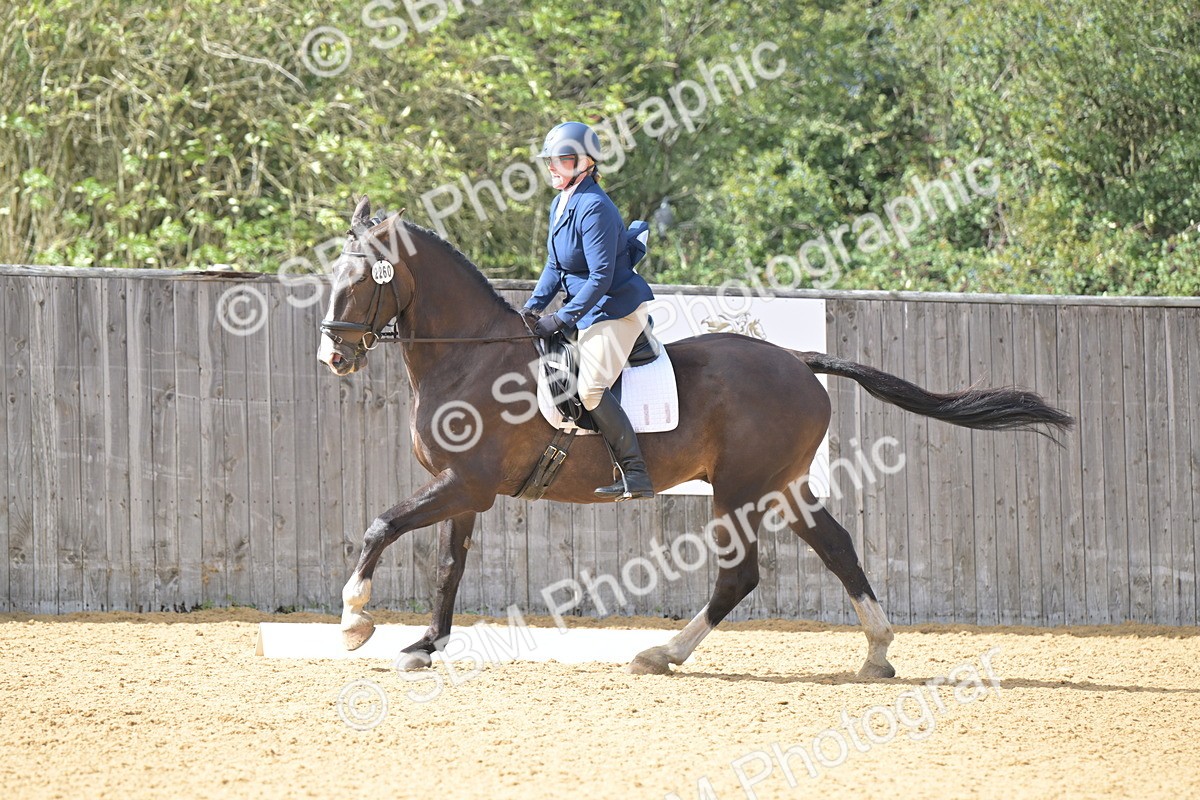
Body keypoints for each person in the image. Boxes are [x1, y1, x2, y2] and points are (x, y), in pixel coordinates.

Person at [522, 121, 656, 501]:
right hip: (588, 308)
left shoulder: (594, 206)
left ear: (586, 163)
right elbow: (554, 266)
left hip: (614, 309)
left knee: (591, 388)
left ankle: (636, 473)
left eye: (562, 160)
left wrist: (563, 318)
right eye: (550, 160)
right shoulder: (561, 202)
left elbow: (600, 276)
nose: (553, 167)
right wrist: (532, 309)